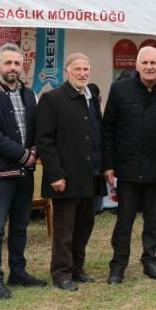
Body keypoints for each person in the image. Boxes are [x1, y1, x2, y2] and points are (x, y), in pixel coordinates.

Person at [0, 42, 44, 299]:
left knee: (20, 226)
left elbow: (37, 128)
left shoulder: (31, 95)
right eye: (8, 63)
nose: (13, 67)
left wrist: (34, 149)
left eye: (17, 63)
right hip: (0, 176)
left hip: (25, 174)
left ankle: (18, 271)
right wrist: (25, 154)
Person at [103, 46, 156, 283]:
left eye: (153, 63)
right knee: (124, 221)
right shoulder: (119, 90)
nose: (149, 67)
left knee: (153, 221)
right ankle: (118, 264)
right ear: (136, 65)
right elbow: (108, 130)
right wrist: (109, 165)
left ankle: (150, 260)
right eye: (144, 63)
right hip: (127, 168)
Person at [35, 53, 104, 291]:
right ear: (66, 72)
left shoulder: (92, 97)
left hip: (90, 174)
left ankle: (77, 268)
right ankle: (61, 273)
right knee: (64, 230)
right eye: (77, 69)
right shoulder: (52, 98)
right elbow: (44, 140)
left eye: (86, 69)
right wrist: (55, 174)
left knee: (85, 226)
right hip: (65, 176)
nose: (83, 73)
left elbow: (96, 134)